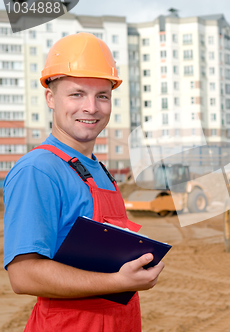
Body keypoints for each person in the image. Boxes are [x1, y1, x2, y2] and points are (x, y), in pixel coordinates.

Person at [2, 32, 164, 331]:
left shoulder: (98, 170)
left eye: (102, 96)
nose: (91, 107)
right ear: (51, 98)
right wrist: (118, 281)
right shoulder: (39, 170)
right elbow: (23, 275)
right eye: (77, 94)